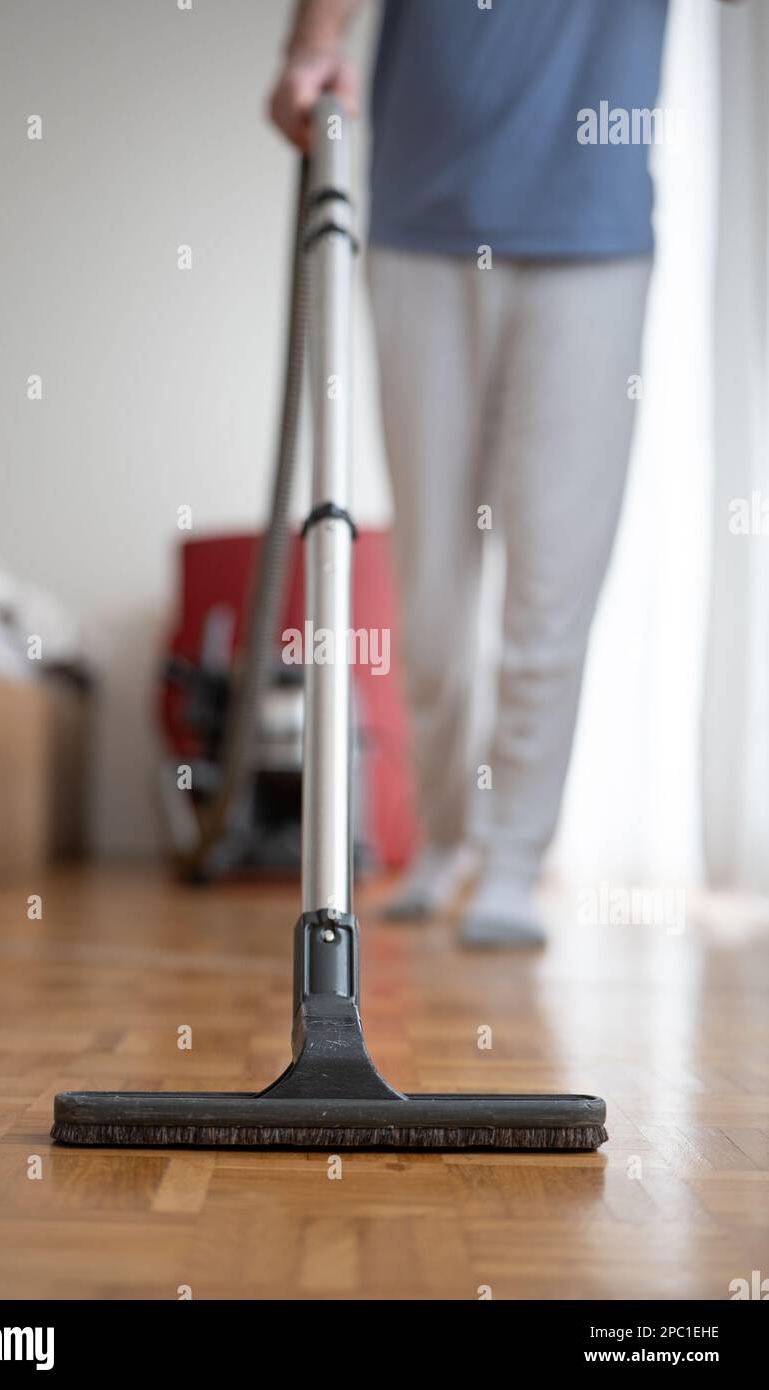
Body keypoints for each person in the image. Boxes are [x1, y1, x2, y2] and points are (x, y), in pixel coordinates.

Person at [268, 1, 697, 946]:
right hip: (424, 214)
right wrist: (316, 41)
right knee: (429, 584)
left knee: (553, 575)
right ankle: (446, 842)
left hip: (591, 229)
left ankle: (511, 859)